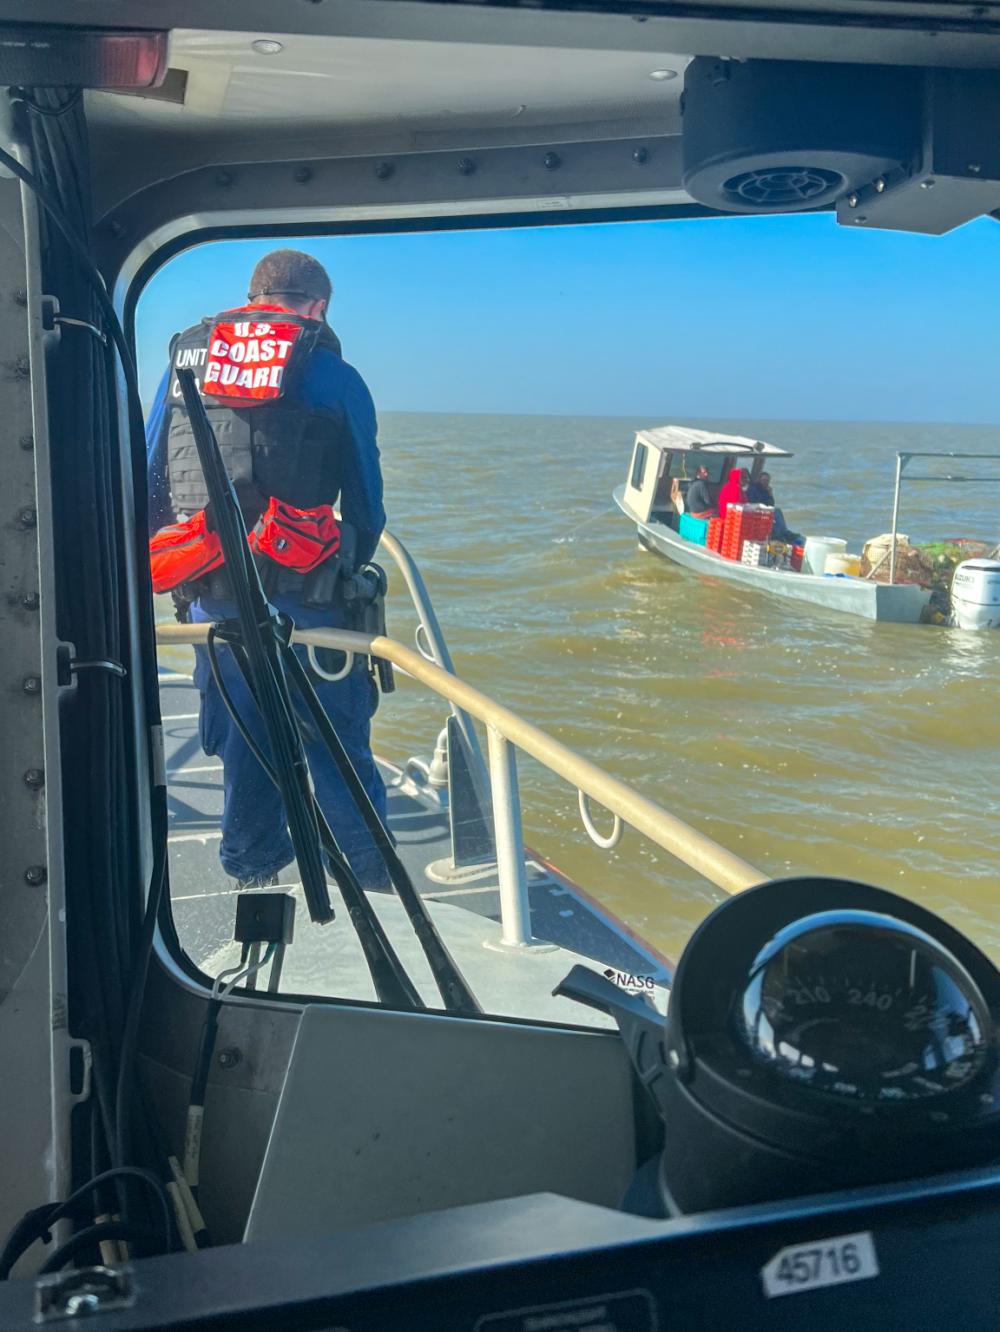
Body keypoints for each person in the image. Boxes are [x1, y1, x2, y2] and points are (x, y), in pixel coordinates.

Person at [146, 249, 389, 890]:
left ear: (250, 298)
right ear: (318, 307)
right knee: (335, 747)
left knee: (246, 745)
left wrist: (190, 575)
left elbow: (150, 485)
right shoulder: (334, 374)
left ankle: (252, 877)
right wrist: (342, 572)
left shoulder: (182, 366)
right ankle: (369, 881)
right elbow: (366, 508)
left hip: (212, 605)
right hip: (308, 605)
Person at [746, 470, 802, 543]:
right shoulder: (754, 489)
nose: (765, 482)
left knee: (777, 511)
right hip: (756, 511)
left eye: (767, 480)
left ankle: (784, 532)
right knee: (776, 511)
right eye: (764, 480)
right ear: (759, 480)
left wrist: (770, 494)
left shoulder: (765, 490)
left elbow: (771, 504)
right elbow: (754, 501)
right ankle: (784, 532)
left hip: (764, 510)